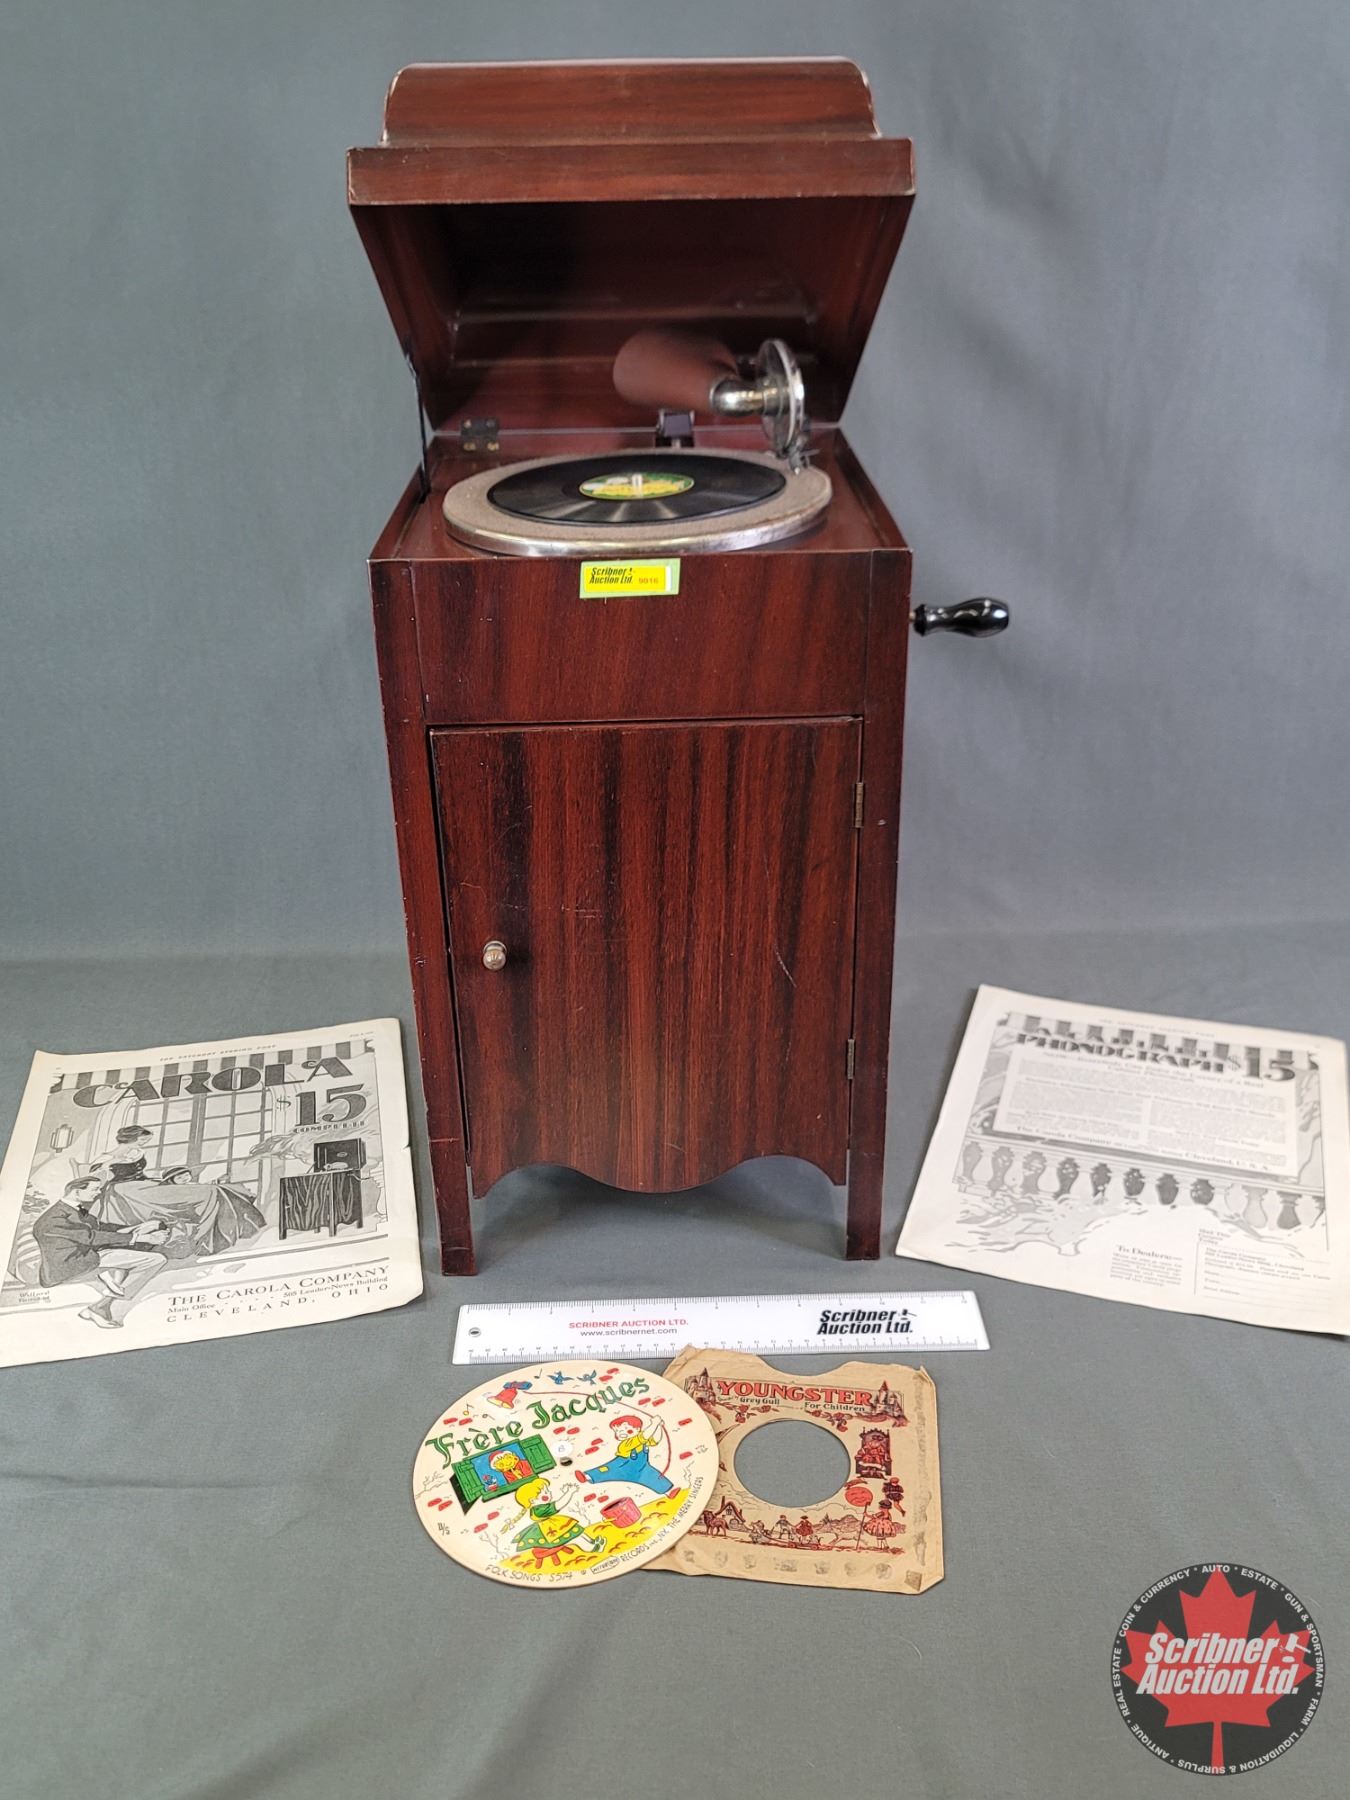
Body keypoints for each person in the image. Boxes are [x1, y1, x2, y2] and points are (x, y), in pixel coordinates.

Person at [31, 1176, 169, 1329]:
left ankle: (101, 1306)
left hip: (89, 1253)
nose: (98, 1193)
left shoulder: (73, 1209)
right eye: (95, 1189)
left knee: (126, 1266)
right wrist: (141, 1237)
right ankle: (101, 1306)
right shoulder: (54, 1218)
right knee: (157, 1259)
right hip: (73, 1262)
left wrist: (141, 1228)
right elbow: (91, 1237)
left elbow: (101, 1228)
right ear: (77, 1192)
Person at [575, 1414, 678, 1499]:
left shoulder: (642, 1440)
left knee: (655, 1476)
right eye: (617, 1431)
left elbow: (655, 1440)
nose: (621, 1433)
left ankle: (669, 1492)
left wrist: (659, 1426)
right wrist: (654, 1424)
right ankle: (587, 1476)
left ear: (638, 1429)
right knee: (606, 1470)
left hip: (642, 1469)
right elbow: (644, 1436)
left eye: (625, 1429)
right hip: (621, 1467)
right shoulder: (626, 1444)